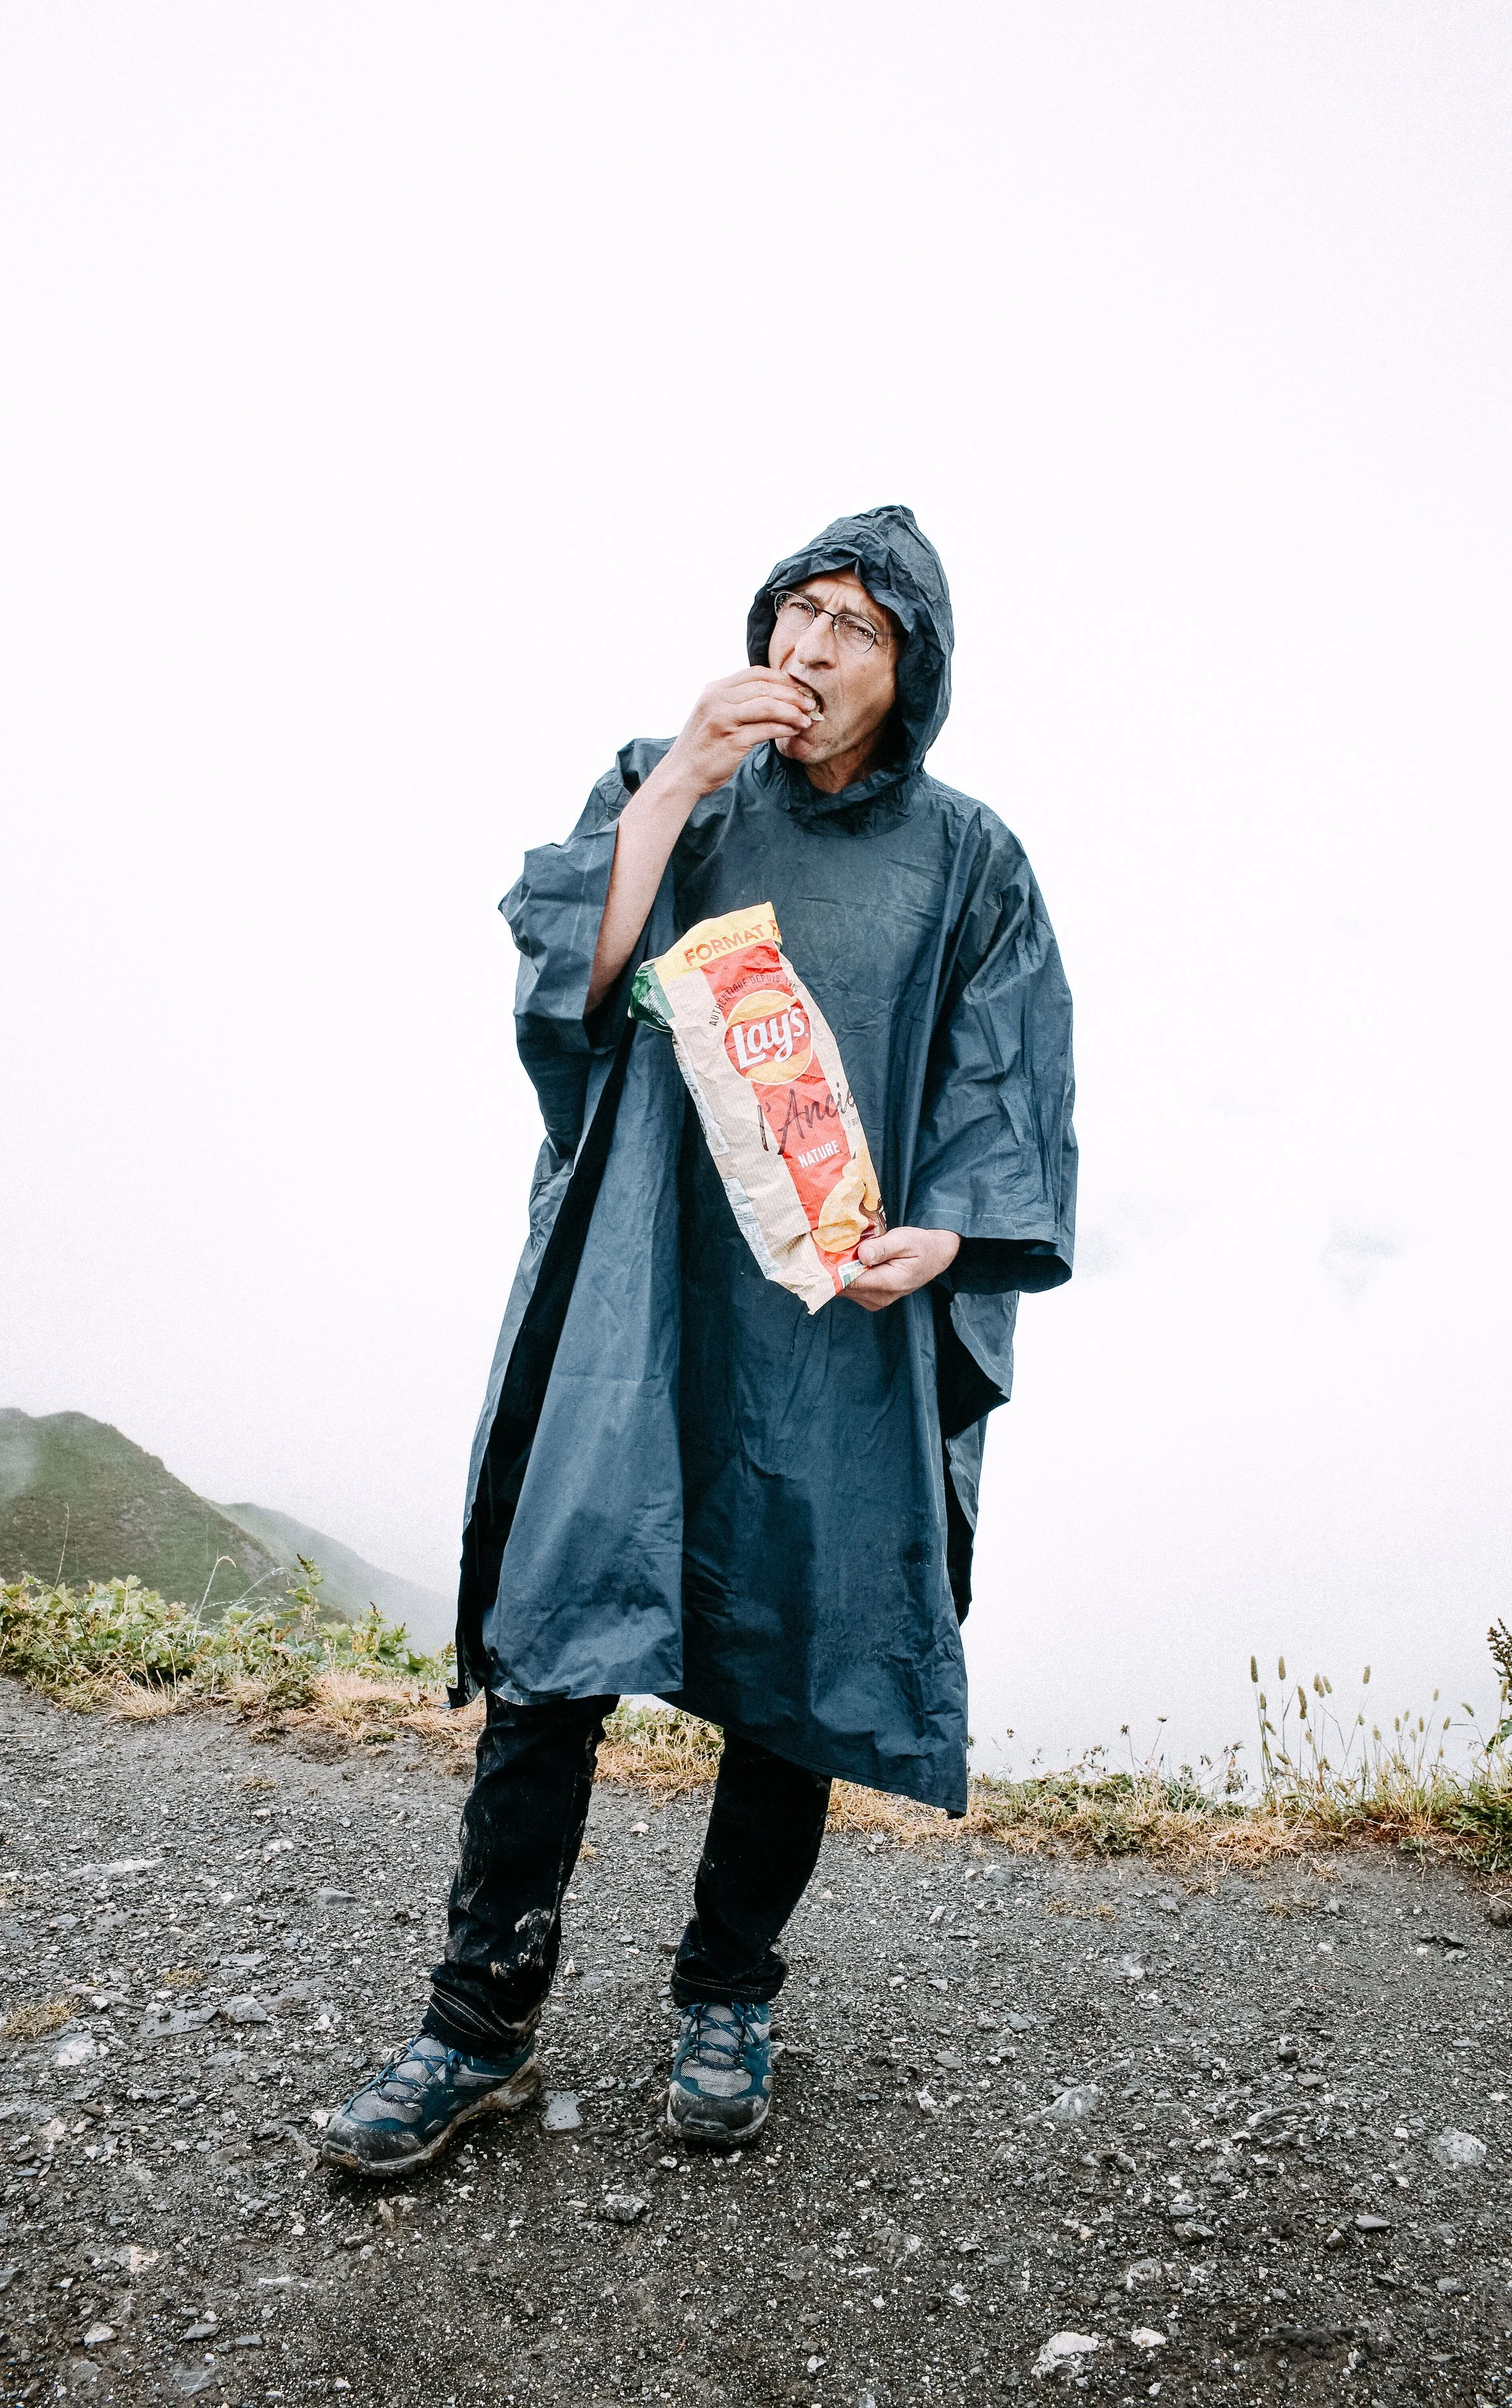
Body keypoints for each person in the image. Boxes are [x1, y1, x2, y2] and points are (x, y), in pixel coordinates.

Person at [321, 505, 1077, 2177]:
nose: (811, 650)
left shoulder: (966, 858)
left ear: (913, 670)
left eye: (857, 629)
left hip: (827, 1311)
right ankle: (475, 2020)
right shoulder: (662, 781)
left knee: (793, 1651)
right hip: (639, 1281)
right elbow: (569, 988)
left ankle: (728, 1988)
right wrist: (669, 785)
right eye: (796, 613)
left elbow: (1005, 1077)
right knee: (558, 1613)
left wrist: (943, 1234)